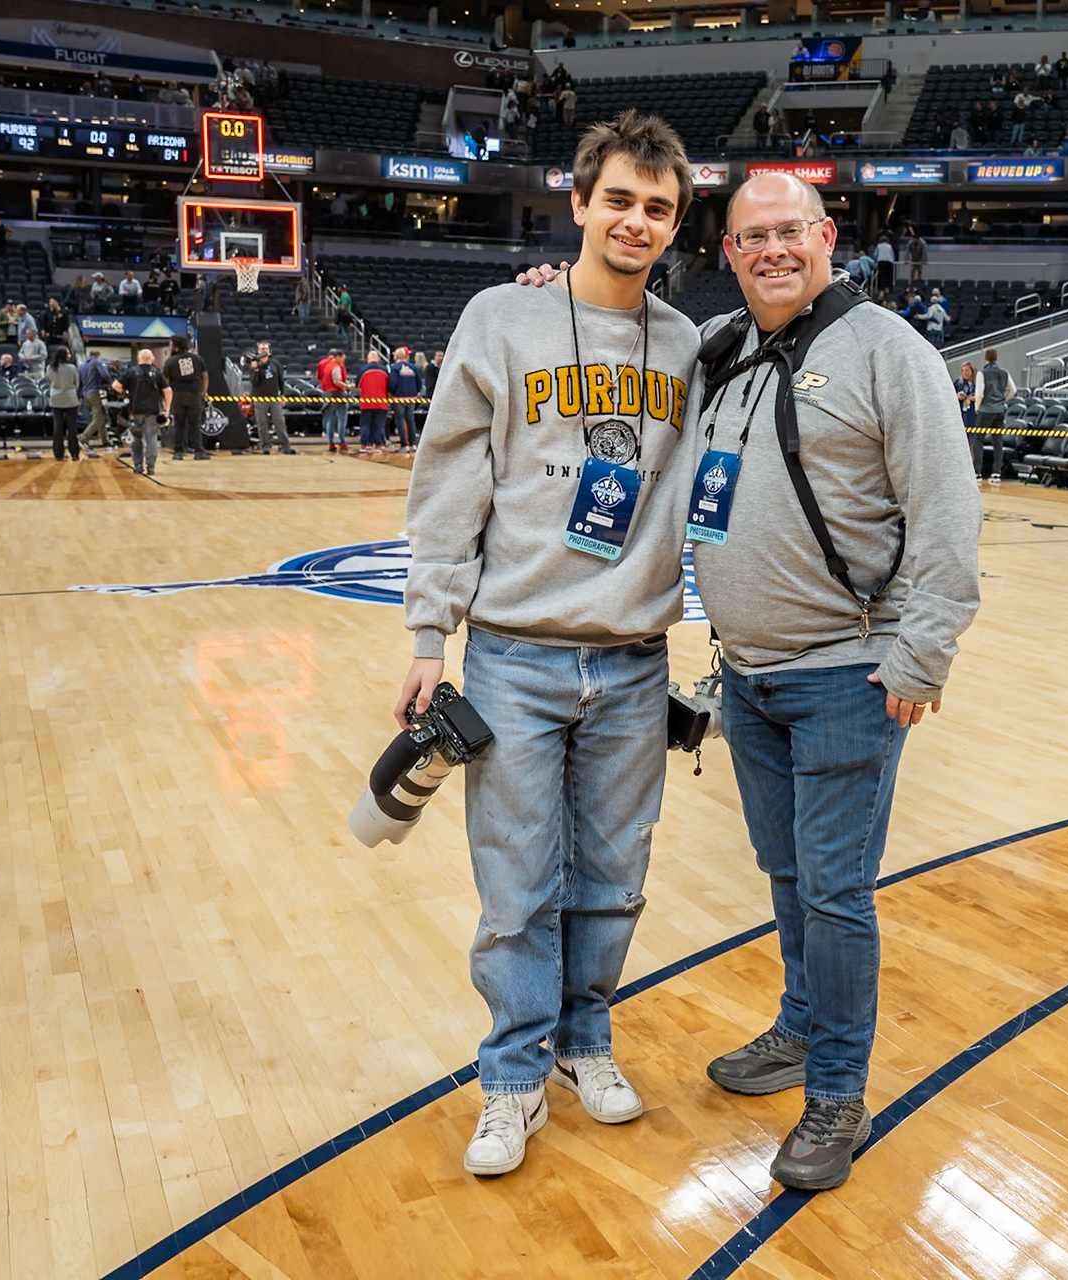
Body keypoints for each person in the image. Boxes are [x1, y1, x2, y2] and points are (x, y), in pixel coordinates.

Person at [393, 109, 700, 1180]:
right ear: (579, 203)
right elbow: (448, 485)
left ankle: (584, 1043)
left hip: (633, 661)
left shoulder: (689, 347)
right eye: (619, 198)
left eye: (658, 207)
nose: (637, 220)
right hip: (516, 655)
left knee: (613, 880)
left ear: (674, 226)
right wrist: (430, 632)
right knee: (518, 886)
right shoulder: (500, 318)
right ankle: (513, 1075)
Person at [685, 171, 981, 1193]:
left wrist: (921, 653)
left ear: (826, 237)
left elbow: (947, 510)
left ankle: (839, 1092)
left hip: (850, 675)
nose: (770, 249)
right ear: (728, 252)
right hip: (750, 680)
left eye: (787, 232)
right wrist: (558, 292)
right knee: (786, 874)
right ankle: (801, 1030)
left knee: (838, 892)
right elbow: (615, 349)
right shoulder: (722, 350)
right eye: (749, 237)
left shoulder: (888, 349)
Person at [112, 347, 170, 476]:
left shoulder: (132, 372)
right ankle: (151, 467)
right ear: (152, 359)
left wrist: (126, 393)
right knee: (152, 438)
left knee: (136, 438)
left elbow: (115, 385)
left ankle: (138, 465)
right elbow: (168, 391)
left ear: (139, 359)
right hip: (153, 411)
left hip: (136, 410)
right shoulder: (157, 373)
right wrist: (167, 408)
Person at [163, 334, 210, 461]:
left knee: (179, 424)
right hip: (194, 394)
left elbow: (166, 381)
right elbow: (205, 376)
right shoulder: (197, 359)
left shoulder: (170, 361)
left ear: (176, 347)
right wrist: (204, 392)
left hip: (177, 395)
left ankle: (178, 452)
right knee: (195, 424)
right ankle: (199, 451)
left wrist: (166, 397)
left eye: (171, 344)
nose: (169, 347)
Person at [246, 341, 294, 454]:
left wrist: (282, 394)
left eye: (266, 348)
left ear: (269, 351)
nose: (264, 350)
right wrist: (256, 370)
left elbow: (281, 380)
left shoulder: (275, 363)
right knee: (262, 423)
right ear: (258, 351)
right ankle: (265, 445)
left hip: (274, 398)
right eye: (262, 349)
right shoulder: (253, 365)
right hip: (260, 398)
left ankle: (285, 445)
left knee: (279, 422)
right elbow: (254, 383)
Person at [972, 346, 1013, 474]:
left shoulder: (982, 373)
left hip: (986, 409)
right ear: (997, 358)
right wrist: (1003, 400)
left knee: (978, 439)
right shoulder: (1004, 372)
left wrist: (977, 407)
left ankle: (978, 471)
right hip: (1000, 409)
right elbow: (1013, 390)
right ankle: (996, 472)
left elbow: (979, 393)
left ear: (985, 359)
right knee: (998, 440)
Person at [46, 346, 82, 461]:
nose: (70, 355)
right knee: (72, 427)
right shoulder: (72, 368)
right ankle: (74, 453)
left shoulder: (50, 367)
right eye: (68, 353)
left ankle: (58, 454)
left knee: (58, 426)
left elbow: (49, 381)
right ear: (65, 356)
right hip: (70, 398)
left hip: (56, 398)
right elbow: (77, 383)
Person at [78, 349, 113, 451]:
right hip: (94, 392)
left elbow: (79, 383)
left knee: (100, 415)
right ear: (98, 355)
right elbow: (105, 375)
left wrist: (79, 396)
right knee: (99, 418)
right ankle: (83, 438)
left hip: (85, 394)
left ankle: (105, 441)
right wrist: (108, 383)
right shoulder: (97, 362)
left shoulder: (82, 366)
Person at [388, 347, 422, 450]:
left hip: (399, 397)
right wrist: (416, 392)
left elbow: (393, 383)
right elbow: (419, 382)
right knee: (410, 419)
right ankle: (413, 443)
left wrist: (391, 393)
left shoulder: (395, 368)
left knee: (400, 420)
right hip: (411, 397)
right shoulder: (413, 367)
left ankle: (404, 444)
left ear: (397, 356)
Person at [355, 349, 389, 453]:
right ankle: (378, 445)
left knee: (365, 424)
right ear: (378, 359)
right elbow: (389, 386)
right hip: (381, 402)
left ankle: (364, 445)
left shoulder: (363, 370)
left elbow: (358, 385)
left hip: (366, 402)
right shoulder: (384, 370)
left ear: (368, 359)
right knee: (379, 425)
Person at [316, 347, 348, 450]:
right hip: (337, 393)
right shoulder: (338, 366)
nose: (344, 360)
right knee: (342, 418)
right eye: (343, 358)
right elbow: (338, 381)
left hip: (326, 392)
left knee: (329, 418)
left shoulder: (324, 364)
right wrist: (348, 386)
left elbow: (320, 377)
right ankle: (342, 441)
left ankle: (330, 442)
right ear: (337, 356)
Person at [954, 360, 977, 431]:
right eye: (963, 371)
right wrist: (957, 396)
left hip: (974, 412)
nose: (964, 373)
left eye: (966, 371)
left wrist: (968, 397)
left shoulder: (977, 383)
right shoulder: (958, 383)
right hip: (962, 411)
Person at [872, 234, 896, 300]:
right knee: (889, 275)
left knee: (882, 275)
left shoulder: (879, 246)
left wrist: (875, 261)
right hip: (889, 261)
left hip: (881, 261)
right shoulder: (889, 246)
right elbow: (892, 255)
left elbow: (875, 255)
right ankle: (887, 288)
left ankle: (882, 288)